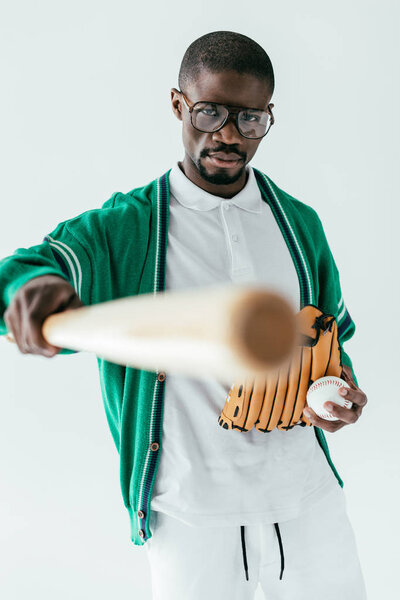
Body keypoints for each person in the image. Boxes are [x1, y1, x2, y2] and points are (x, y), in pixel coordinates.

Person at [0, 31, 368, 599]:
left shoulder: (299, 225)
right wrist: (35, 287)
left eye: (250, 120)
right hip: (191, 513)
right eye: (210, 111)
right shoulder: (123, 228)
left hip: (309, 501)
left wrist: (341, 390)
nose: (227, 135)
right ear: (178, 104)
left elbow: (331, 340)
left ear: (269, 118)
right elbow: (27, 270)